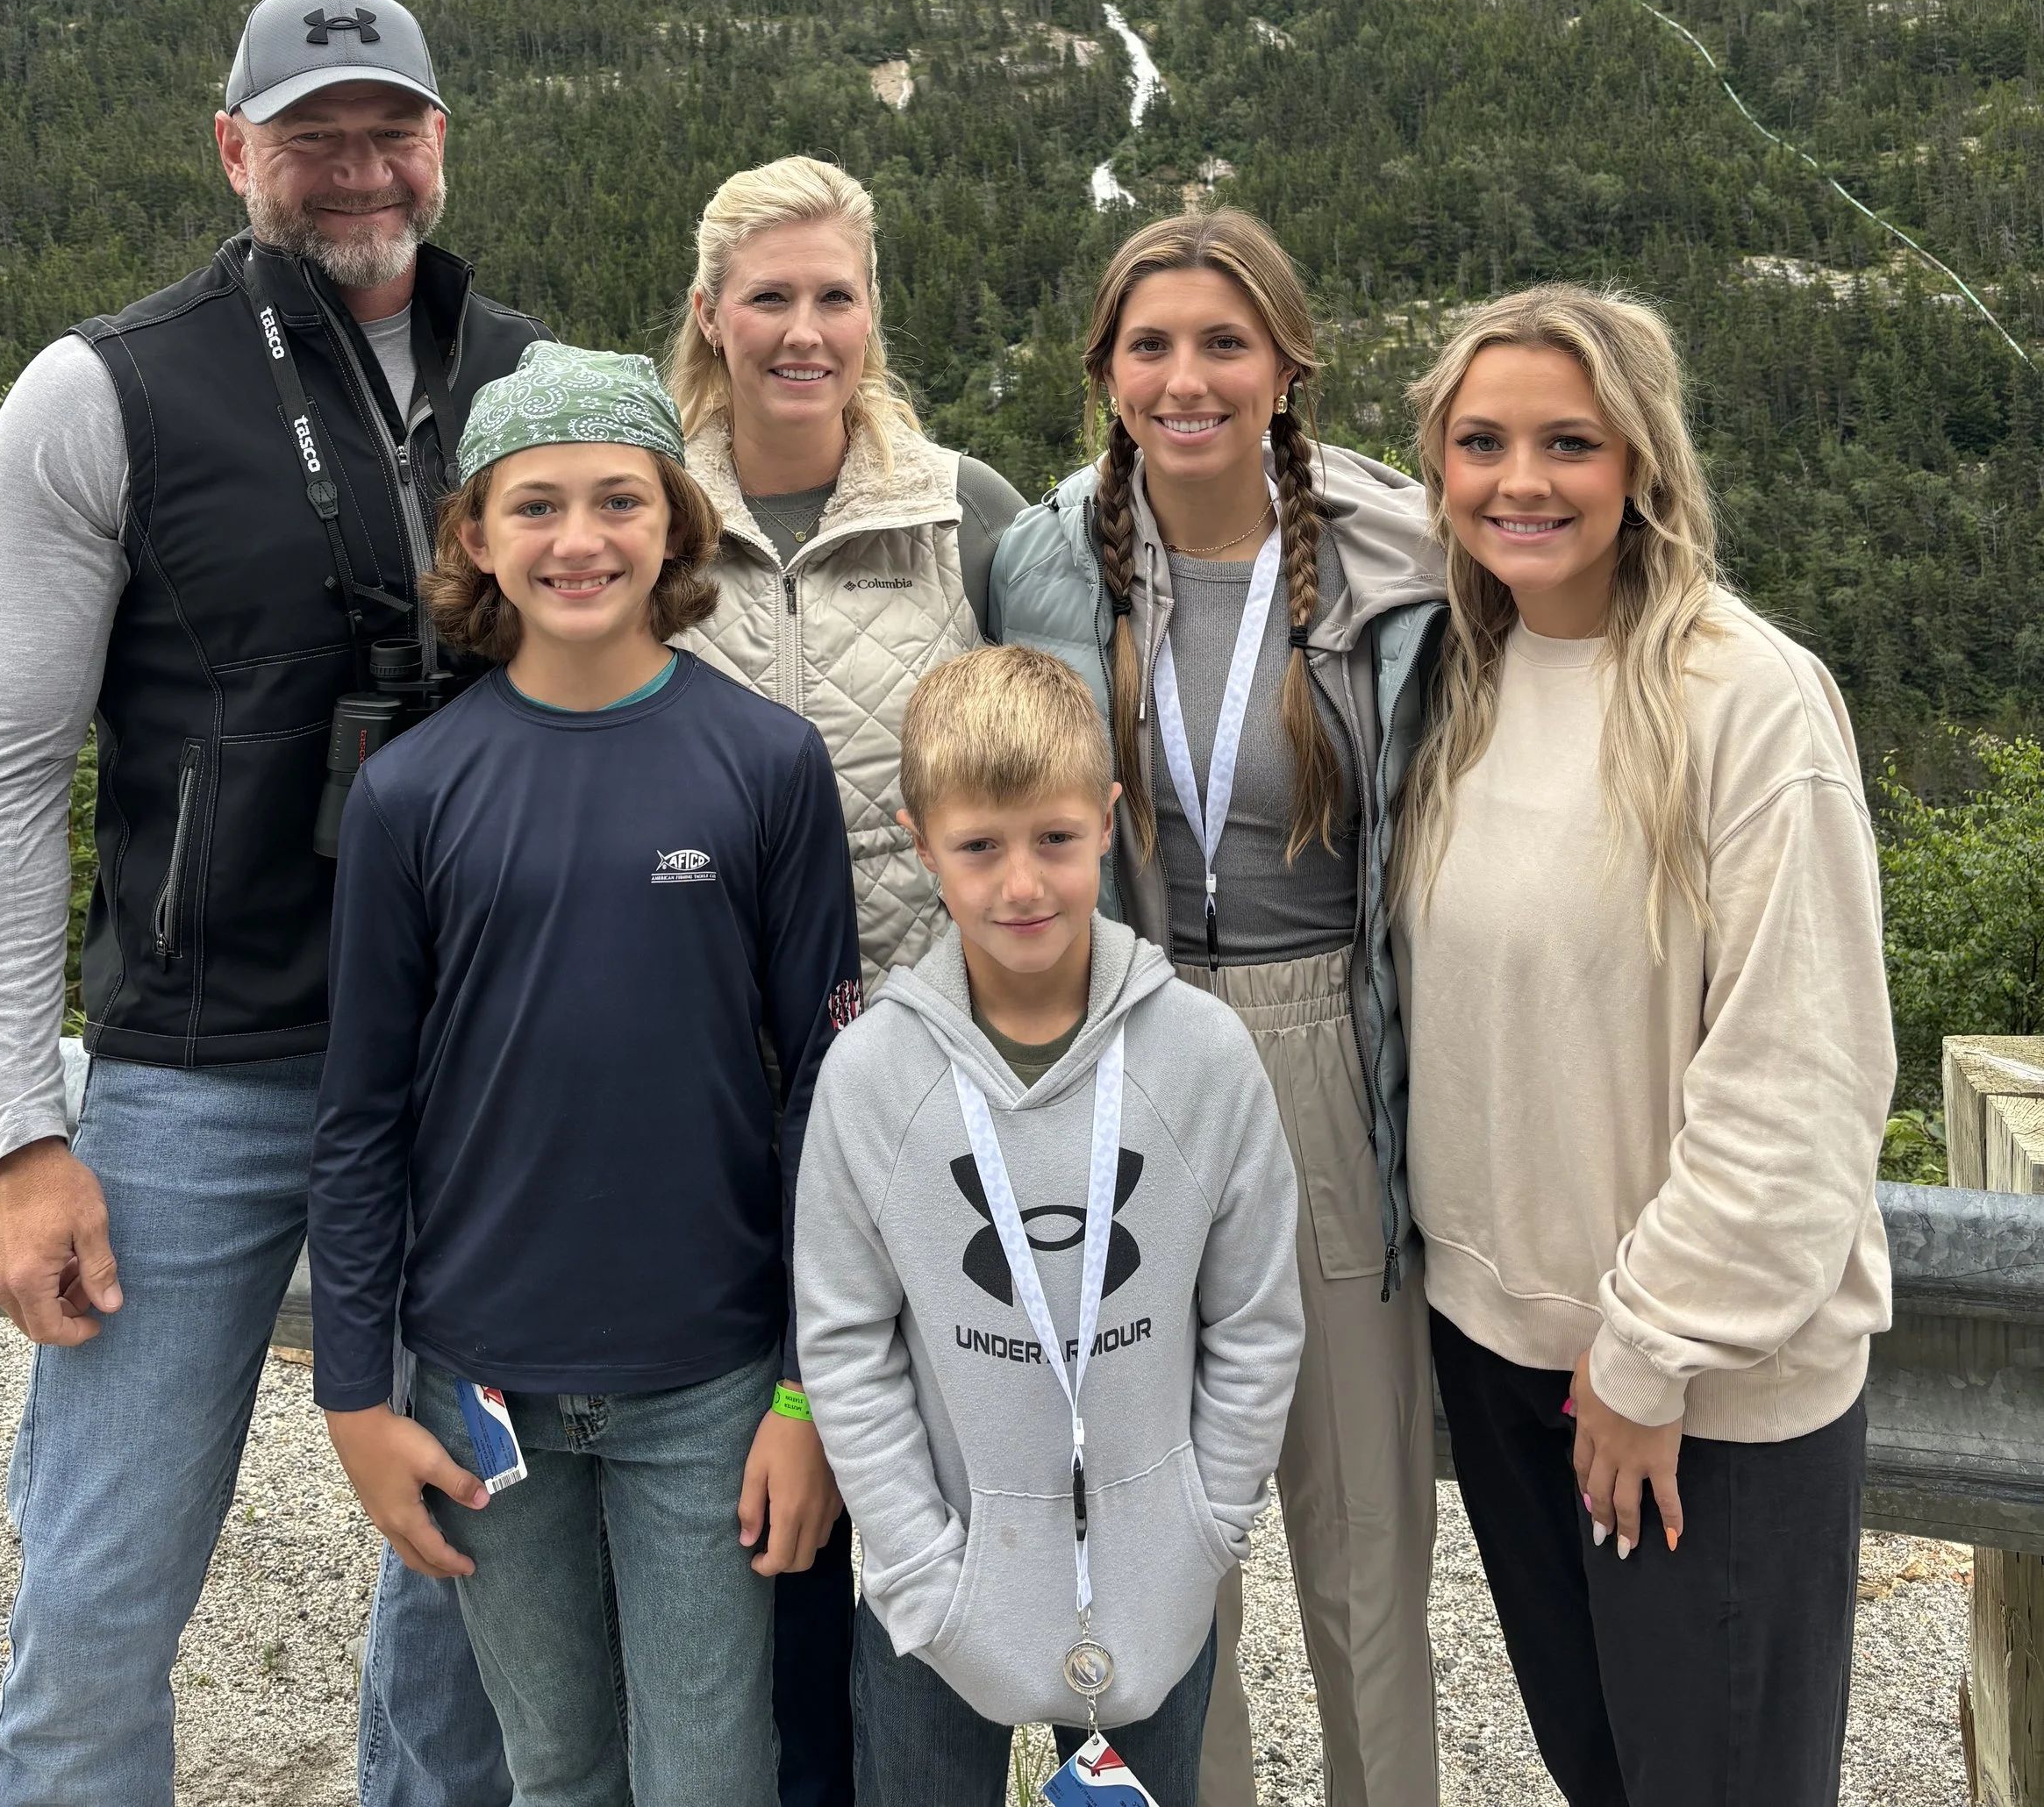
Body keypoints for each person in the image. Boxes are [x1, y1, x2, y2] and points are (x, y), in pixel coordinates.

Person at [0, 0, 540, 1807]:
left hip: (469, 1074)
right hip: (199, 1076)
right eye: (309, 132)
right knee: (103, 1591)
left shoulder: (534, 382)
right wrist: (21, 1131)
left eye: (386, 125)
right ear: (232, 150)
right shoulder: (103, 387)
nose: (353, 165)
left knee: (472, 1571)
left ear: (439, 138)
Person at [311, 345, 864, 1807]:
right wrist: (358, 1401)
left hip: (713, 1380)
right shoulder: (411, 794)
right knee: (552, 1766)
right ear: (476, 540)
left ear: (675, 523)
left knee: (711, 1769)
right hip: (479, 1379)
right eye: (535, 505)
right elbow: (361, 1119)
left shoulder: (765, 765)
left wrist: (807, 1399)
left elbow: (824, 1095)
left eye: (618, 500)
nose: (578, 540)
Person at [1391, 285, 1896, 1807]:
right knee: (1604, 1773)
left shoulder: (1745, 700)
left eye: (1569, 442)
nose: (1519, 481)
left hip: (1691, 1387)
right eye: (1480, 443)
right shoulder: (1462, 686)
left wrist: (1649, 1351)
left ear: (1644, 465)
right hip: (1506, 1358)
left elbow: (1800, 1083)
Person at [989, 209, 1449, 1807]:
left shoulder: (1402, 551)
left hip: (1324, 1046)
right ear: (1107, 374)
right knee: (1155, 1535)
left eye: (1223, 342)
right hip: (1126, 1054)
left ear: (1287, 366)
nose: (1187, 379)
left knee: (1362, 1531)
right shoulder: (1042, 559)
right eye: (1151, 346)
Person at [666, 152, 1028, 1803]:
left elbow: (1053, 778)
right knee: (753, 1501)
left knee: (935, 1486)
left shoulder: (970, 515)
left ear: (873, 316)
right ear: (711, 317)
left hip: (929, 1098)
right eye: (770, 298)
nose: (803, 332)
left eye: (834, 298)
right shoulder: (642, 514)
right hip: (704, 1105)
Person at [794, 644, 1303, 1807]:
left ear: (1110, 824)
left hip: (1154, 1594)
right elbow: (844, 1339)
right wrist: (922, 1569)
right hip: (942, 1597)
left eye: (1056, 841)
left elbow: (1258, 1320)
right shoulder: (873, 1077)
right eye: (979, 847)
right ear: (924, 846)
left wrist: (1206, 1529)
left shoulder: (1202, 1059)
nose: (1021, 884)